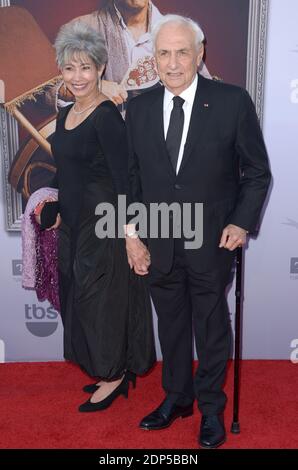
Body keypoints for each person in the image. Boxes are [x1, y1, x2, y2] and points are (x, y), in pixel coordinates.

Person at [125, 14, 271, 448]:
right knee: (169, 326)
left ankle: (210, 408)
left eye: (182, 52)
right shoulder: (140, 105)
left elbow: (257, 172)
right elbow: (130, 176)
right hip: (158, 241)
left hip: (211, 241)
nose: (172, 64)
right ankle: (178, 398)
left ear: (199, 53)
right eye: (164, 53)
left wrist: (241, 221)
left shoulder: (231, 101)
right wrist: (131, 234)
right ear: (154, 57)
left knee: (210, 328)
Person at [38, 19, 155, 412]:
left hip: (105, 224)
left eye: (86, 67)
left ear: (101, 68)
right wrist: (55, 209)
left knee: (100, 303)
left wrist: (131, 236)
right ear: (61, 70)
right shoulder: (66, 114)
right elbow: (67, 170)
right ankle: (109, 371)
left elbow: (126, 179)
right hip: (74, 224)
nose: (78, 76)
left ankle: (116, 375)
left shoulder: (106, 116)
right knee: (81, 300)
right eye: (69, 68)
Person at [70, 0, 211, 108]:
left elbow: (207, 93)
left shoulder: (179, 32)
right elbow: (53, 90)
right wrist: (95, 88)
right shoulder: (82, 29)